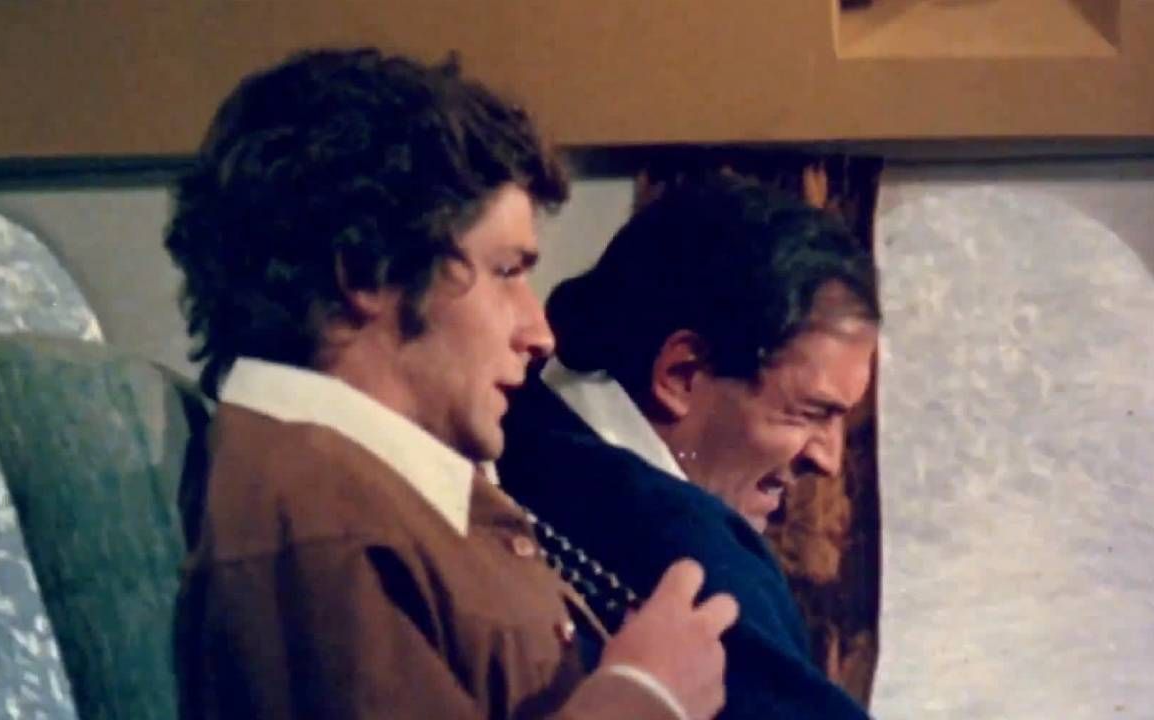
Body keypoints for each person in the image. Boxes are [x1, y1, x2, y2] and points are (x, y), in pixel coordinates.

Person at [165, 47, 737, 720]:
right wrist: (646, 699)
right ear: (366, 273)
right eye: (506, 271)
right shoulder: (321, 522)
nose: (539, 334)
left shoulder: (373, 488)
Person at [498, 174, 879, 719]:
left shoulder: (510, 428)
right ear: (682, 375)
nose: (829, 459)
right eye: (809, 413)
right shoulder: (691, 549)